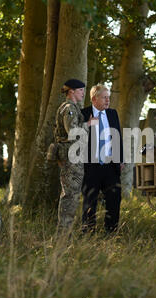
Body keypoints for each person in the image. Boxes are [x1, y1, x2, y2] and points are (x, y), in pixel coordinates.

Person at [54, 79, 95, 235]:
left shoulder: (72, 108)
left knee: (72, 194)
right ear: (71, 91)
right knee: (70, 195)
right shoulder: (69, 108)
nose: (83, 93)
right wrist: (88, 125)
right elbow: (72, 132)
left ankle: (65, 233)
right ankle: (63, 235)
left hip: (74, 157)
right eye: (80, 90)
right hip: (71, 157)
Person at [81, 84, 123, 234]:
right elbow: (75, 135)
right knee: (90, 200)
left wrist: (120, 159)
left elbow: (118, 136)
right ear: (94, 99)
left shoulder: (112, 114)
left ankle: (111, 233)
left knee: (114, 199)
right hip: (91, 166)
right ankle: (88, 233)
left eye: (109, 97)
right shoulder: (83, 113)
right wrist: (87, 124)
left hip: (111, 165)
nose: (108, 100)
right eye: (104, 97)